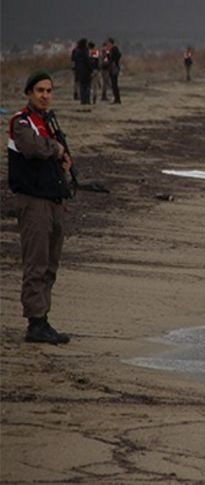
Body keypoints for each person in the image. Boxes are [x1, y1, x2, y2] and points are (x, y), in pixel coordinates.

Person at [7, 70, 74, 344]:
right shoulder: (21, 122)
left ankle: (43, 319)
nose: (45, 95)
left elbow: (52, 156)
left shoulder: (48, 123)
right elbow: (33, 148)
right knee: (36, 263)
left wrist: (64, 164)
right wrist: (57, 150)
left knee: (50, 264)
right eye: (39, 91)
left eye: (48, 91)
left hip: (54, 201)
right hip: (33, 201)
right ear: (29, 93)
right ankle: (35, 323)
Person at [73, 38, 92, 105]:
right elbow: (87, 61)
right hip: (86, 71)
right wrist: (91, 69)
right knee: (87, 86)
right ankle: (87, 100)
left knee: (82, 86)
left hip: (79, 71)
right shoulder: (85, 51)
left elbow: (74, 60)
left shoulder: (77, 51)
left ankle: (83, 100)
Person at [107, 37, 122, 104]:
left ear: (111, 43)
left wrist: (114, 62)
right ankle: (116, 99)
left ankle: (117, 99)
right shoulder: (110, 50)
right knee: (113, 84)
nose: (108, 44)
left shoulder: (114, 49)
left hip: (114, 69)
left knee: (114, 84)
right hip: (112, 68)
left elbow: (118, 56)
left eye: (108, 43)